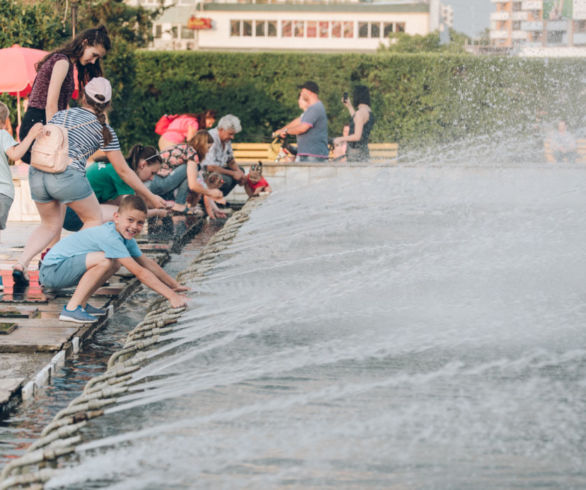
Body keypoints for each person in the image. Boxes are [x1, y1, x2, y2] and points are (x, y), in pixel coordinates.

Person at [12, 77, 168, 288]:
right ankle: (56, 261)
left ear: (83, 97)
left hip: (37, 174)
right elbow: (124, 171)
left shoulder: (61, 115)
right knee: (94, 219)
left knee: (49, 225)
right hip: (66, 176)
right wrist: (151, 197)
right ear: (108, 104)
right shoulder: (105, 131)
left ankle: (21, 263)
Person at [40, 195, 189, 323]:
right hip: (52, 271)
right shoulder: (110, 237)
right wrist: (172, 297)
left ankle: (82, 305)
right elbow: (140, 272)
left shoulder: (124, 237)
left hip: (61, 270)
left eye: (140, 222)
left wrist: (174, 285)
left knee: (114, 263)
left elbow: (146, 263)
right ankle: (72, 309)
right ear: (116, 217)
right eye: (130, 220)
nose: (134, 226)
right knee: (105, 260)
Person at [19, 25, 112, 163]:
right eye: (94, 55)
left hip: (39, 124)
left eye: (97, 58)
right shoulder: (62, 62)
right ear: (85, 42)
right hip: (39, 123)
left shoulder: (65, 63)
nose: (93, 61)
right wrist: (58, 141)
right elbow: (51, 104)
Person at [63, 144, 165, 231]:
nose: (152, 178)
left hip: (67, 209)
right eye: (153, 173)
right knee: (124, 217)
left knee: (121, 207)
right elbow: (133, 210)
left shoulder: (118, 166)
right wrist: (157, 212)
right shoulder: (122, 173)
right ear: (143, 164)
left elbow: (122, 201)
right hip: (72, 214)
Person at [149, 130, 224, 213]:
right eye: (208, 147)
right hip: (157, 183)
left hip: (154, 183)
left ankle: (178, 204)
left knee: (192, 173)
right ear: (202, 145)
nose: (208, 151)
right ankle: (179, 204)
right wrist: (211, 192)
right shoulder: (191, 153)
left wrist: (214, 207)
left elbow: (198, 183)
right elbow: (193, 185)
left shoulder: (184, 148)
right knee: (190, 172)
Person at [0, 103, 43, 241]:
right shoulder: (2, 134)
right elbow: (15, 154)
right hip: (3, 193)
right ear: (4, 122)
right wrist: (31, 135)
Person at [273, 81, 329, 163]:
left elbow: (303, 128)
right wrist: (281, 130)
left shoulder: (316, 108)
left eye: (302, 91)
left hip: (313, 156)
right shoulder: (311, 109)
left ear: (309, 92)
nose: (301, 93)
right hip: (307, 155)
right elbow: (299, 120)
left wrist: (286, 131)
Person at [201, 115, 246, 196]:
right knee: (225, 180)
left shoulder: (226, 140)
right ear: (221, 129)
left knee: (240, 170)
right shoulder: (211, 138)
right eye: (230, 134)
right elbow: (210, 167)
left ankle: (218, 198)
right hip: (205, 173)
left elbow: (230, 160)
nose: (232, 137)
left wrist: (240, 173)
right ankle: (211, 198)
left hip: (217, 170)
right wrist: (233, 174)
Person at [333, 85, 375, 162]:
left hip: (355, 152)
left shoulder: (360, 113)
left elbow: (357, 136)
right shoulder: (368, 112)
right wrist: (349, 106)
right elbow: (357, 122)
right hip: (364, 151)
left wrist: (340, 139)